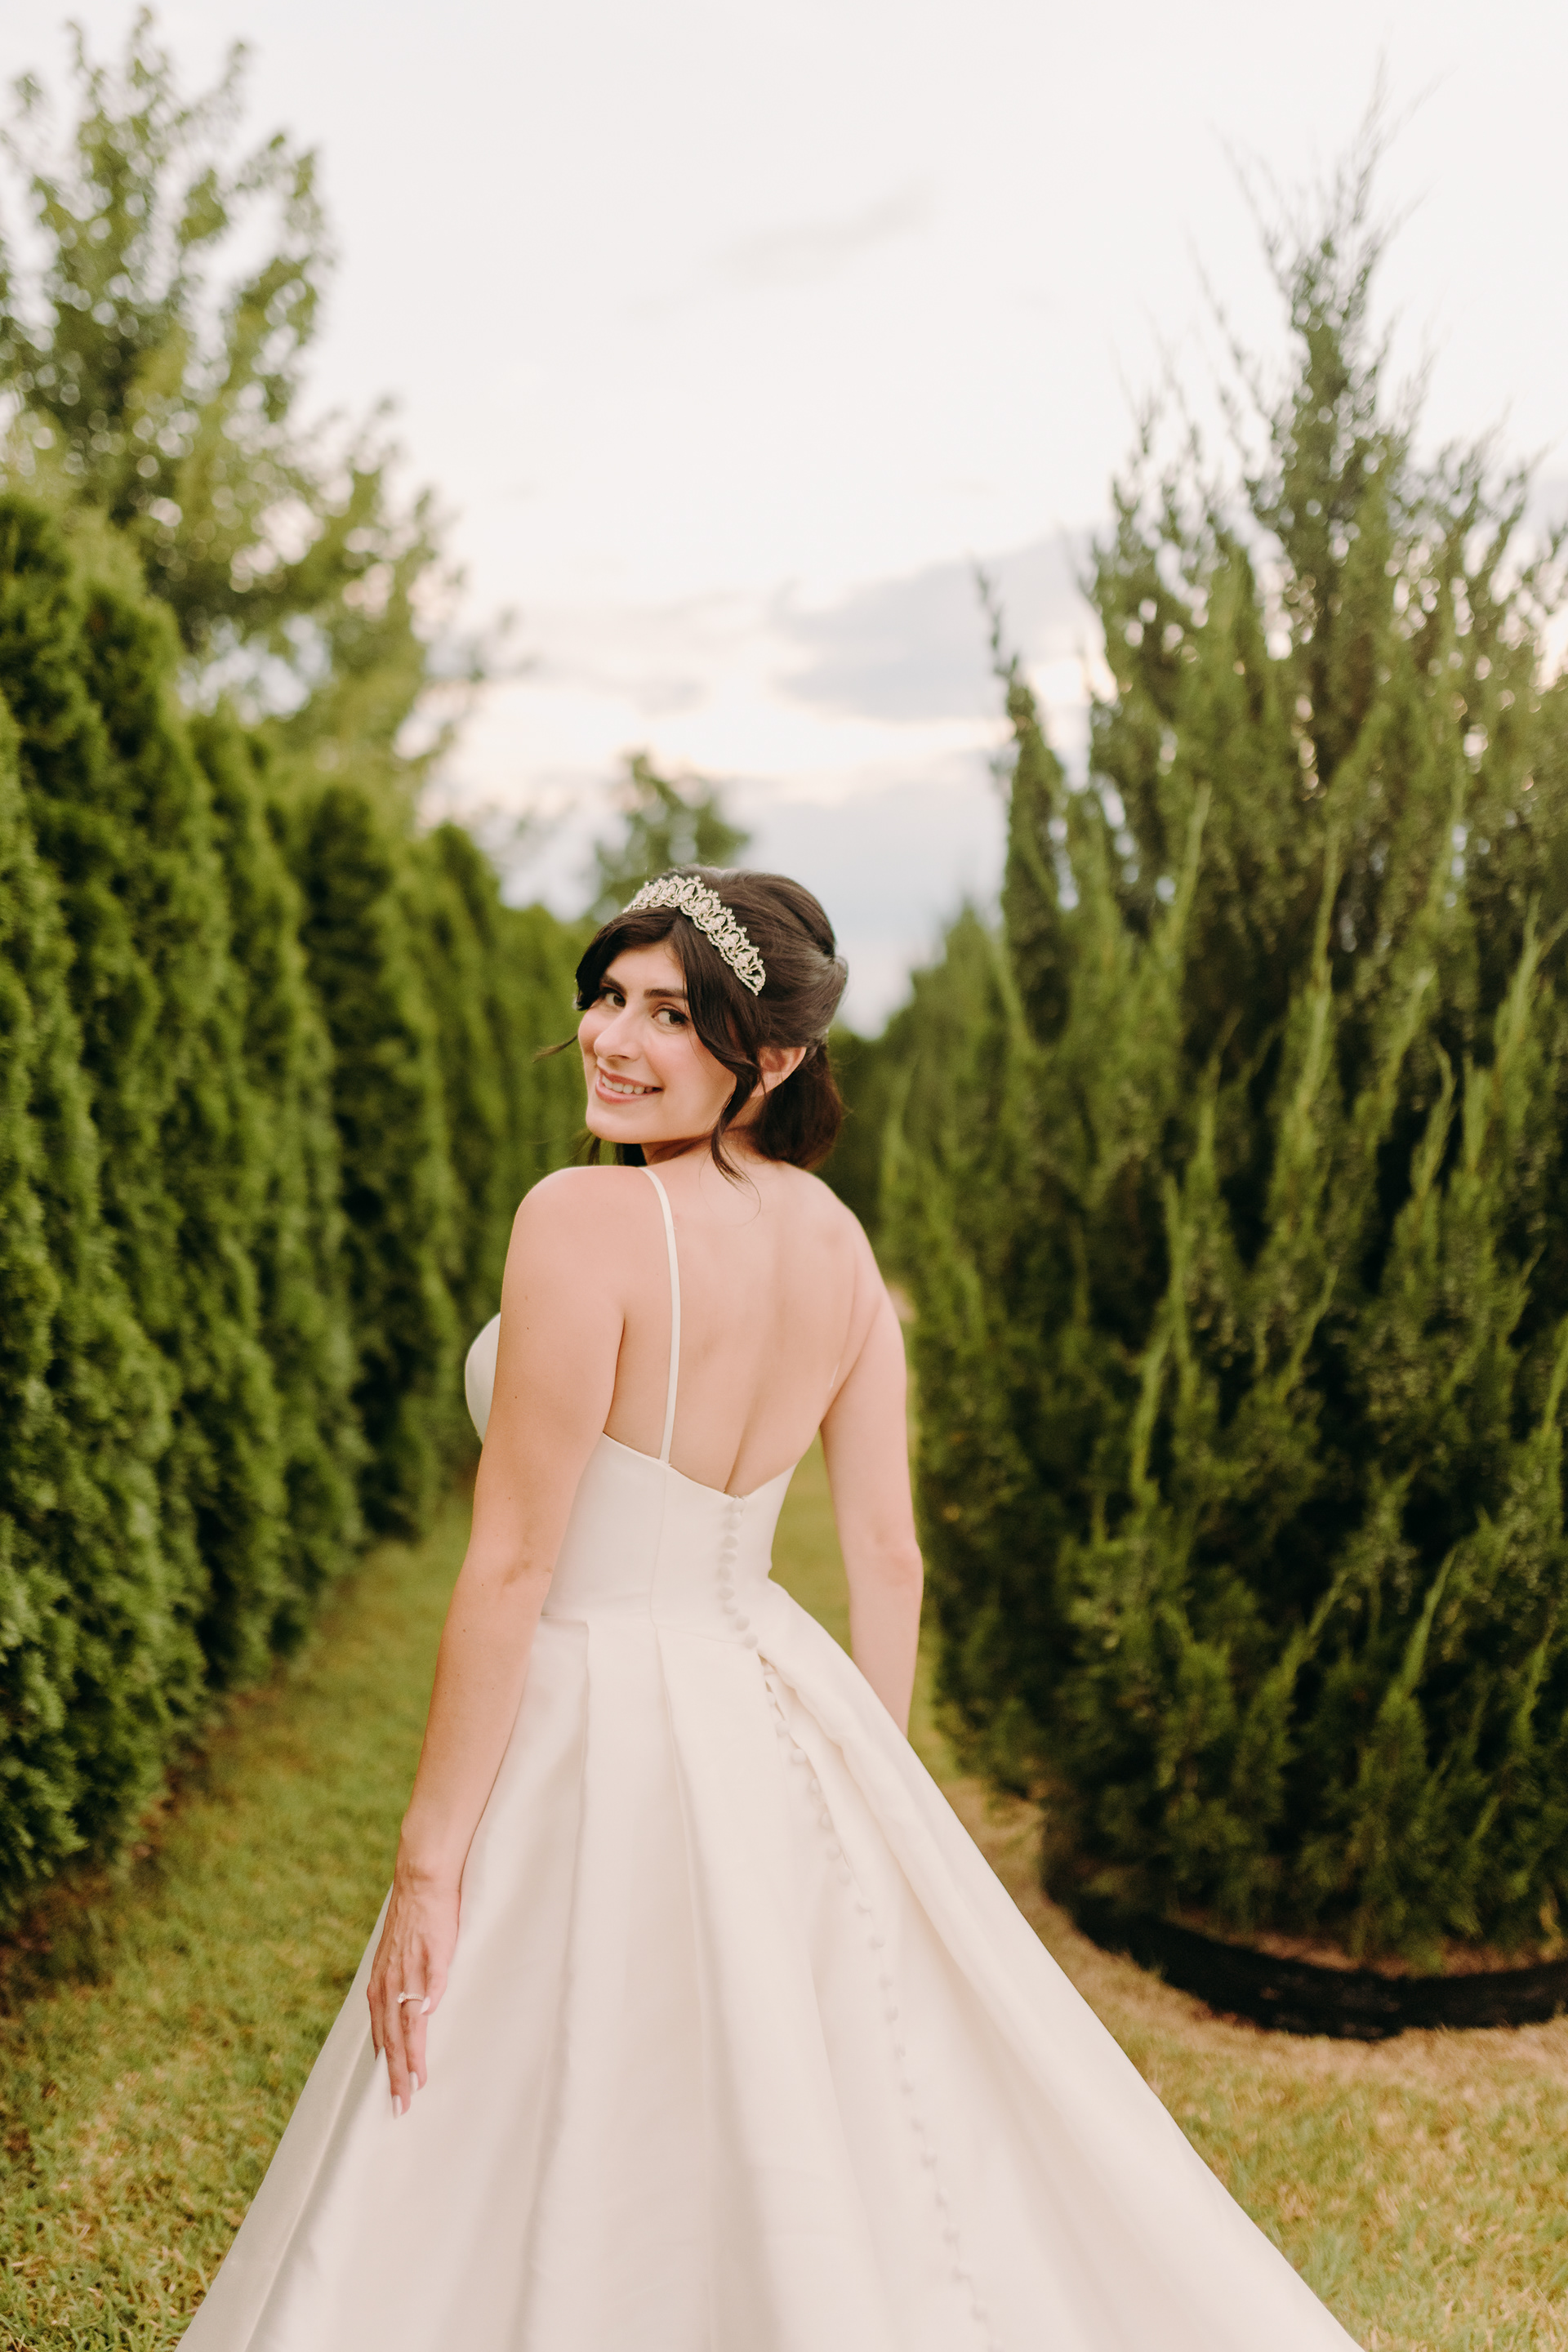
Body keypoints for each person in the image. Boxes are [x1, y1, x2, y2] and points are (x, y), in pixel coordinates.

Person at [180, 868, 1359, 2351]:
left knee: (544, 2075)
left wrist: (428, 1865)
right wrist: (872, 1785)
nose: (617, 1039)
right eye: (610, 996)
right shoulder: (841, 1246)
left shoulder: (579, 1218)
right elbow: (888, 1556)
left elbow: (515, 1566)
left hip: (590, 1701)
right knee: (786, 2088)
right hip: (774, 1695)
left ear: (777, 1056)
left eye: (674, 1016)